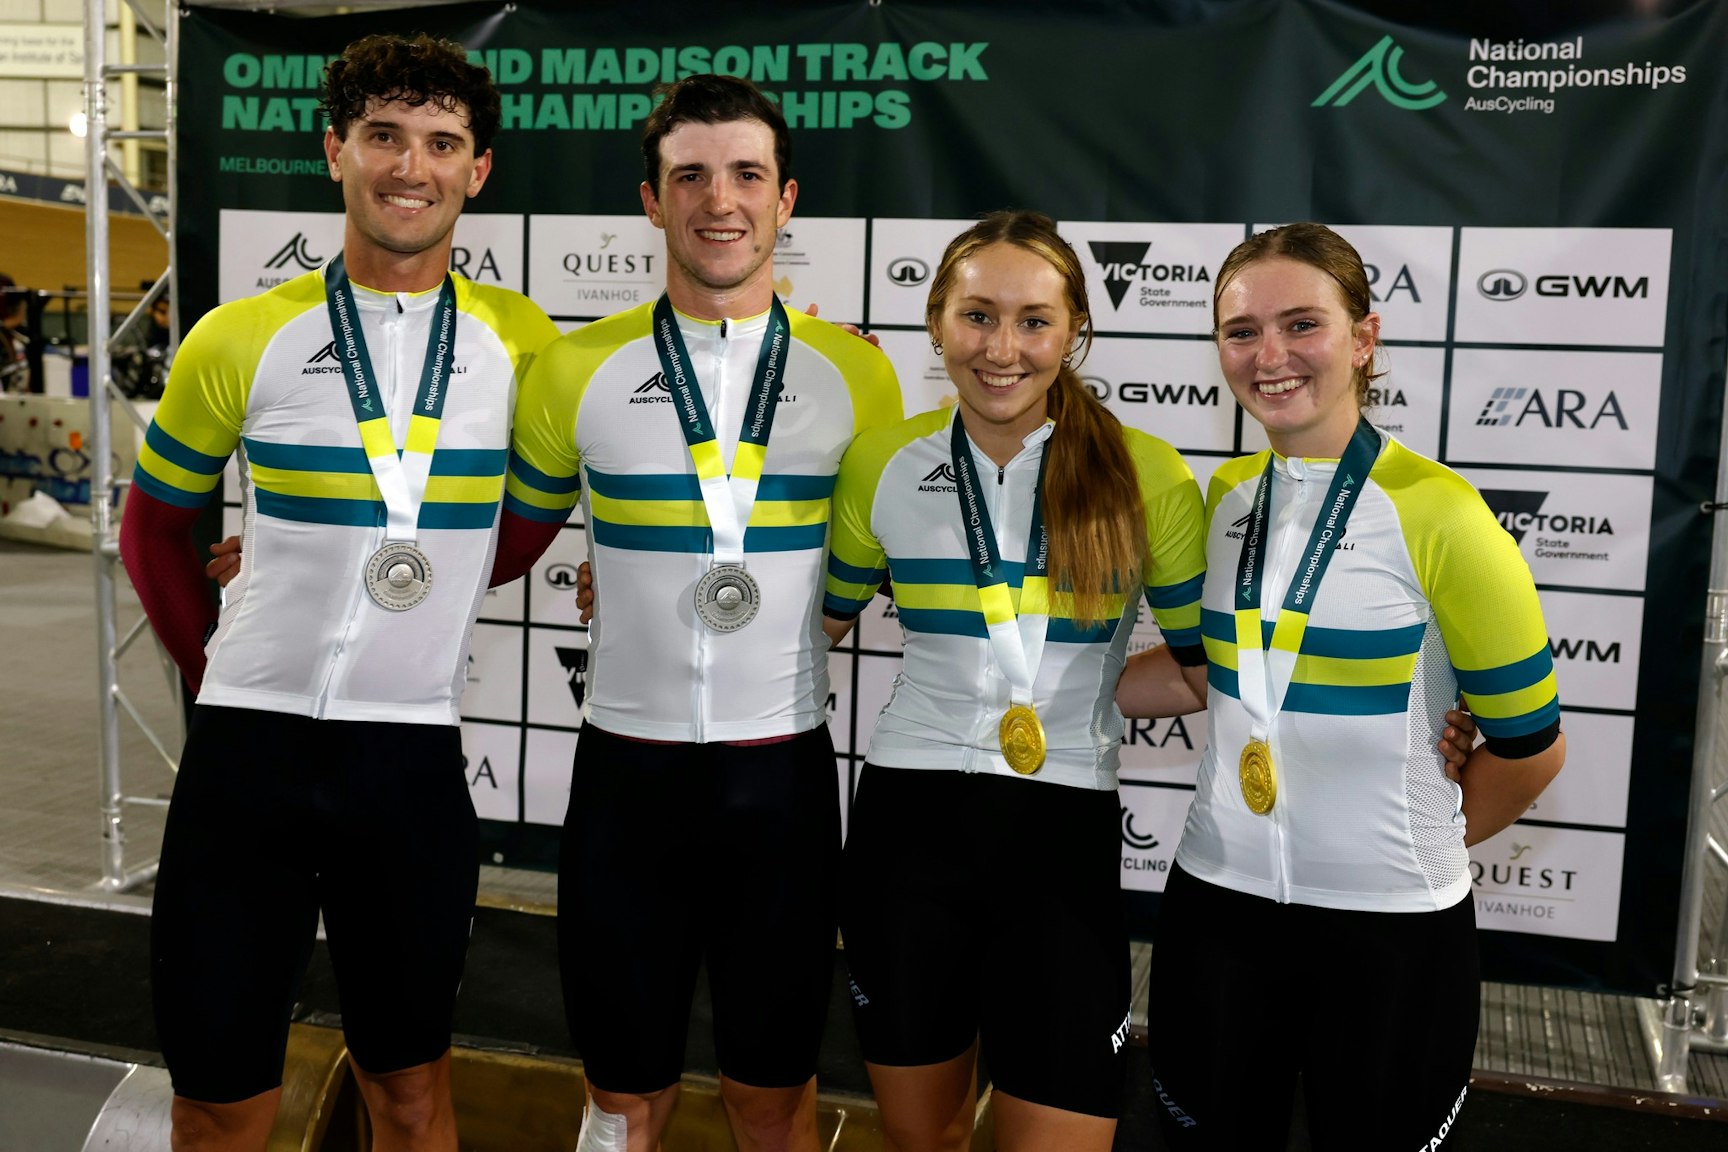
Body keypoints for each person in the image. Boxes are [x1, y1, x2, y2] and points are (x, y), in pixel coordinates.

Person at [120, 34, 558, 1152]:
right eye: (383, 137)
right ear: (335, 152)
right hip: (244, 765)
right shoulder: (242, 334)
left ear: (479, 170)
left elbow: (521, 528)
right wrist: (212, 668)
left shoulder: (527, 346)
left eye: (441, 143)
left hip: (403, 767)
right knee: (218, 1102)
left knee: (410, 1097)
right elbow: (154, 528)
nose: (410, 166)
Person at [505, 74, 901, 1152]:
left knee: (771, 1094)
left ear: (786, 202)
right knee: (619, 1091)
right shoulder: (572, 369)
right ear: (650, 200)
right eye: (690, 175)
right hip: (624, 782)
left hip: (780, 780)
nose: (717, 200)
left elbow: (872, 572)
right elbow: (500, 546)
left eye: (745, 175)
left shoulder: (860, 376)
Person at [1118, 222, 1565, 1150]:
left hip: (1390, 932)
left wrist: (1420, 825)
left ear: (1363, 339)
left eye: (1301, 325)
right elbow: (1207, 677)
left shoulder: (1440, 513)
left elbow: (1530, 750)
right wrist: (1038, 687)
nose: (1269, 356)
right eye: (1241, 332)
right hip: (1219, 907)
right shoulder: (1227, 498)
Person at [816, 210, 1208, 1152]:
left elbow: (1203, 674)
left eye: (1034, 320)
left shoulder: (1146, 475)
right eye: (977, 316)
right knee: (925, 1143)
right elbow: (810, 630)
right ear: (936, 323)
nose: (1003, 348)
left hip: (1059, 844)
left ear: (1075, 331)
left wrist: (1093, 688)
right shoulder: (882, 461)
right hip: (907, 832)